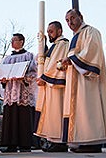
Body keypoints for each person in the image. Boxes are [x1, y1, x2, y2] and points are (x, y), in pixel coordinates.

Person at [61, 9, 106, 153]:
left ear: (80, 17)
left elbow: (91, 52)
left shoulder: (91, 32)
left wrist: (71, 59)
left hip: (88, 80)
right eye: (67, 21)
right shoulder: (75, 37)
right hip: (75, 79)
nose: (70, 23)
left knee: (89, 108)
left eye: (72, 18)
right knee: (80, 110)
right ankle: (82, 141)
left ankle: (93, 142)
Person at [34, 21, 69, 152]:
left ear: (59, 31)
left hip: (56, 84)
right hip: (50, 84)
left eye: (51, 31)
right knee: (50, 113)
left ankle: (59, 141)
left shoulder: (62, 43)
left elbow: (56, 63)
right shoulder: (55, 45)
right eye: (48, 32)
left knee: (57, 111)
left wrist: (44, 77)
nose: (49, 34)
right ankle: (52, 140)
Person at [0, 33, 37, 153]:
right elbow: (2, 73)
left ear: (21, 41)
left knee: (23, 118)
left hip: (23, 93)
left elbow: (34, 73)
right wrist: (3, 80)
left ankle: (25, 145)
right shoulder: (7, 59)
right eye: (11, 40)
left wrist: (24, 79)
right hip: (11, 93)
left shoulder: (29, 56)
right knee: (11, 117)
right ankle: (11, 145)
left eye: (14, 40)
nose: (12, 42)